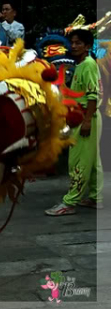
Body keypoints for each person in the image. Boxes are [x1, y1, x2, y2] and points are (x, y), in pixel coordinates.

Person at [45, 29, 104, 215]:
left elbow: (93, 95)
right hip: (87, 116)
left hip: (87, 117)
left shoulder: (87, 65)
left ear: (87, 46)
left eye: (79, 43)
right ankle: (96, 197)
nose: (74, 46)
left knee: (78, 161)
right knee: (93, 161)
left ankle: (70, 202)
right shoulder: (82, 64)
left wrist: (86, 121)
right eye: (72, 42)